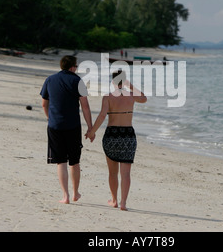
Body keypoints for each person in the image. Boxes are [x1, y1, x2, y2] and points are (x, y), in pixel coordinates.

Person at [86, 71, 147, 211]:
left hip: (112, 135)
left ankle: (114, 200)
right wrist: (130, 86)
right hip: (128, 135)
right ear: (124, 82)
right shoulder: (131, 96)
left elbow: (102, 116)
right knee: (126, 173)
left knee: (112, 172)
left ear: (112, 82)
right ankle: (123, 203)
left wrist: (91, 132)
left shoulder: (108, 97)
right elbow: (144, 98)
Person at [40, 55, 93, 204]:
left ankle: (65, 196)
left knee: (60, 162)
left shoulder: (50, 80)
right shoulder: (78, 81)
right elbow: (85, 106)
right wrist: (90, 128)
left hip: (55, 126)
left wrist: (50, 119)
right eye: (76, 66)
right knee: (74, 161)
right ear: (72, 67)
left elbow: (44, 104)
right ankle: (76, 193)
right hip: (73, 127)